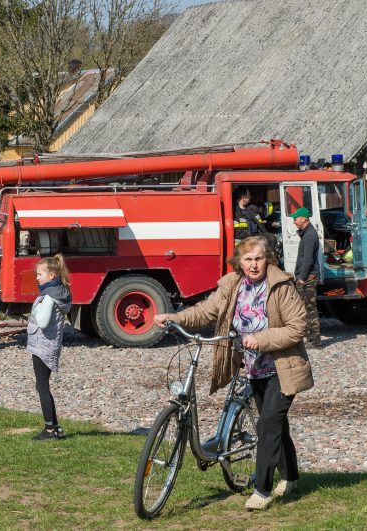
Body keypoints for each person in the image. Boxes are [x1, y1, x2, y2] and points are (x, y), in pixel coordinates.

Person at [154, 236, 313, 511]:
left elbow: (298, 326)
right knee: (275, 425)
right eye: (248, 259)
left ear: (268, 260)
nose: (253, 265)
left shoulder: (280, 286)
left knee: (267, 425)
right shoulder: (233, 285)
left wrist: (262, 339)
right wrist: (175, 318)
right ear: (239, 262)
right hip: (253, 368)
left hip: (282, 368)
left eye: (259, 258)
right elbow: (206, 311)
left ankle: (262, 490)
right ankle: (291, 477)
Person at [27, 255, 73, 441]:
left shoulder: (49, 296)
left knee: (42, 385)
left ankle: (49, 430)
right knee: (43, 385)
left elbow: (43, 322)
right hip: (49, 345)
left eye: (39, 274)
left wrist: (36, 310)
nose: (37, 277)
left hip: (42, 345)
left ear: (51, 274)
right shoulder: (58, 292)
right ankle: (55, 427)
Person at [289, 207, 322, 348]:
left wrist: (302, 278)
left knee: (310, 309)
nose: (294, 221)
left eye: (295, 219)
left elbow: (308, 259)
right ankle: (309, 338)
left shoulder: (309, 236)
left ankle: (315, 341)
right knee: (305, 308)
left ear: (304, 219)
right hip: (307, 276)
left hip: (308, 278)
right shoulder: (307, 233)